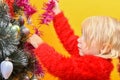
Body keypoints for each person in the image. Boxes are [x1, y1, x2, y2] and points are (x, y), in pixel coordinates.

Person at [27, 0, 120, 80]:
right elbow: (69, 39)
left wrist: (41, 46)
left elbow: (60, 67)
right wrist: (57, 14)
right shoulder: (92, 54)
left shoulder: (95, 69)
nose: (79, 39)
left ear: (104, 48)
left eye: (86, 38)